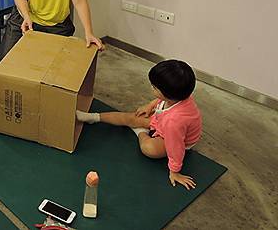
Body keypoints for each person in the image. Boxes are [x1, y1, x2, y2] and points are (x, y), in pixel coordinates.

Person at [75, 60, 202, 190]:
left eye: (154, 87)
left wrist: (174, 171)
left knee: (149, 149)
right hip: (162, 121)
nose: (151, 88)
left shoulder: (174, 123)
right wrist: (150, 106)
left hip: (174, 137)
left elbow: (176, 146)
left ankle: (140, 132)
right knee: (130, 118)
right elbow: (161, 100)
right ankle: (93, 117)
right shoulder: (178, 96)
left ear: (168, 94)